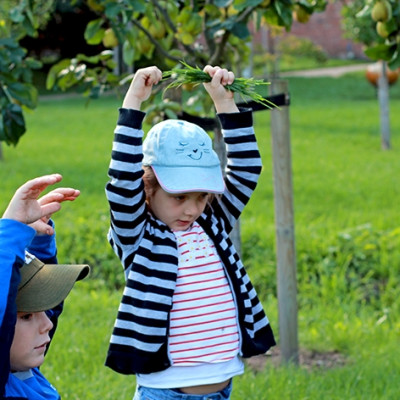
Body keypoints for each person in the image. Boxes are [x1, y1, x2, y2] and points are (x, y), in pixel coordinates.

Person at [105, 65, 276, 400]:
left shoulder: (211, 223)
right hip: (165, 392)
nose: (192, 209)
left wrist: (224, 103)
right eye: (179, 196)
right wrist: (134, 102)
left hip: (221, 388)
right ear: (148, 188)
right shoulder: (139, 236)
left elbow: (246, 168)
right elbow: (121, 185)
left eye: (201, 196)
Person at [0, 173, 90, 400]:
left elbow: (46, 301)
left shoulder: (23, 372)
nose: (48, 323)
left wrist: (36, 240)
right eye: (27, 316)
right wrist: (11, 230)